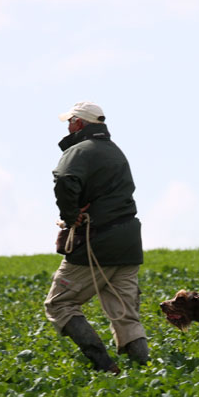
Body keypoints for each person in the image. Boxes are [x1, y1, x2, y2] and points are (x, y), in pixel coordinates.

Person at [44, 101, 149, 373]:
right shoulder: (115, 152)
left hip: (96, 241)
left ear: (79, 123)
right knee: (126, 315)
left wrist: (70, 216)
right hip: (127, 245)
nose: (67, 127)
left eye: (70, 121)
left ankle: (105, 367)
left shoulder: (80, 151)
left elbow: (65, 179)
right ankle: (146, 374)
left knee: (59, 304)